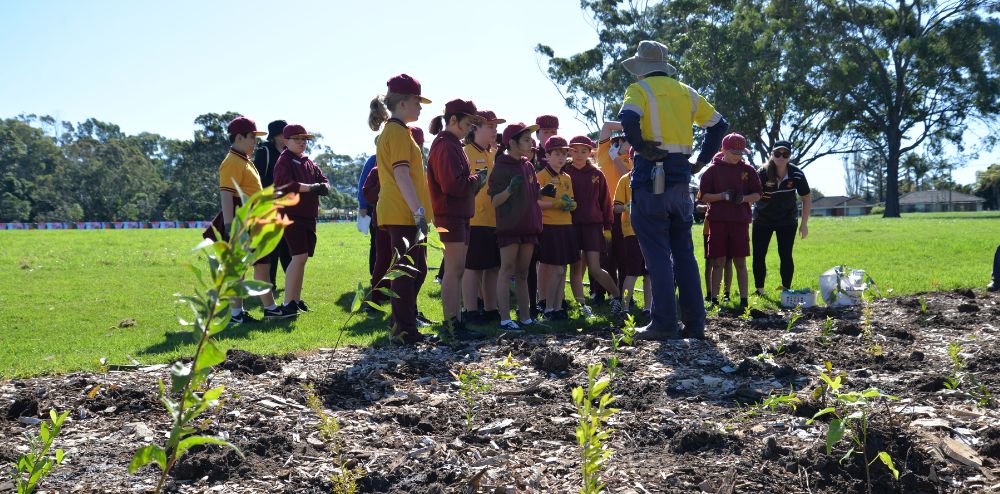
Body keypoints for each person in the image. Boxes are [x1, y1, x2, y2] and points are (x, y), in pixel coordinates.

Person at [617, 39, 729, 340]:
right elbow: (719, 125)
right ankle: (695, 323)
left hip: (648, 177)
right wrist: (701, 161)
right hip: (680, 179)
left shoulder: (638, 90)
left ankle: (664, 322)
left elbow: (627, 118)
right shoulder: (686, 92)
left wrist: (640, 146)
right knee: (684, 254)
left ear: (641, 67)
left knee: (656, 254)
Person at [369, 74, 435, 344]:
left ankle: (400, 324)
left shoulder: (399, 131)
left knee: (414, 270)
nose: (420, 107)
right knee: (406, 272)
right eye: (417, 101)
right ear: (404, 103)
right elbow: (402, 175)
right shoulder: (396, 132)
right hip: (402, 212)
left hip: (404, 212)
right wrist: (417, 211)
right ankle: (405, 331)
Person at [216, 116, 292, 323]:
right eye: (251, 137)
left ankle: (245, 313)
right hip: (242, 223)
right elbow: (226, 195)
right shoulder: (232, 161)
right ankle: (263, 310)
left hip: (252, 220)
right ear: (239, 137)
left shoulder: (243, 160)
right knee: (255, 266)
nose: (255, 142)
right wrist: (231, 226)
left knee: (258, 266)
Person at [426, 99, 488, 337]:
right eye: (469, 122)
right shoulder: (445, 146)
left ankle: (456, 321)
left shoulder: (454, 145)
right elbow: (452, 185)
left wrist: (474, 181)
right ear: (453, 120)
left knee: (457, 269)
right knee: (453, 270)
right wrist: (477, 180)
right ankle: (452, 324)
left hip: (458, 214)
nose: (471, 128)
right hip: (449, 215)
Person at [489, 122, 544, 331]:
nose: (532, 143)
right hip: (510, 228)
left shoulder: (528, 165)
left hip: (529, 227)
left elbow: (534, 192)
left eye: (531, 139)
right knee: (507, 270)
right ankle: (504, 319)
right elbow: (494, 201)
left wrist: (544, 193)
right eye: (526, 140)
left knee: (523, 273)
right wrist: (509, 190)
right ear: (512, 143)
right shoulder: (501, 167)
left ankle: (526, 317)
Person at [698, 133, 762, 309]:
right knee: (717, 262)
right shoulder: (711, 171)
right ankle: (714, 300)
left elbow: (757, 194)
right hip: (717, 222)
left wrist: (743, 198)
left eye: (741, 153)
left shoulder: (748, 171)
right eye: (734, 152)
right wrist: (723, 196)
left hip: (740, 221)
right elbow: (704, 196)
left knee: (740, 262)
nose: (738, 156)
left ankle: (743, 301)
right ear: (724, 150)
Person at [273, 124, 330, 316]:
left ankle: (296, 300)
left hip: (308, 216)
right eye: (296, 139)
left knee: (302, 258)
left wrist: (324, 186)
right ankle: (288, 303)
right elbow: (285, 185)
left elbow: (323, 179)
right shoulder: (284, 160)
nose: (301, 142)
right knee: (298, 257)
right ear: (286, 141)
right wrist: (313, 187)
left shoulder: (307, 161)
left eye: (304, 139)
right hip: (290, 214)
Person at [565, 135, 625, 316]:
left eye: (584, 151)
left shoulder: (597, 174)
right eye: (575, 150)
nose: (580, 154)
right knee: (576, 268)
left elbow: (606, 202)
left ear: (591, 153)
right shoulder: (564, 172)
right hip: (571, 226)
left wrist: (607, 226)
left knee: (595, 267)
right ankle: (583, 307)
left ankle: (616, 298)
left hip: (592, 225)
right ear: (569, 151)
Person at [752, 140, 811, 295]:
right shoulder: (761, 173)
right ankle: (759, 290)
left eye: (785, 154)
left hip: (787, 220)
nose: (781, 157)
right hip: (762, 220)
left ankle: (786, 290)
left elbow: (806, 198)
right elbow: (752, 195)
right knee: (759, 254)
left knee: (785, 254)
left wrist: (804, 225)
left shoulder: (796, 173)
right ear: (772, 155)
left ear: (789, 157)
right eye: (777, 153)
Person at [463, 110, 506, 324]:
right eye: (490, 126)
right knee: (473, 268)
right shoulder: (466, 152)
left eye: (496, 126)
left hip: (492, 219)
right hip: (474, 220)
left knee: (492, 267)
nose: (495, 130)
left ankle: (490, 309)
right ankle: (471, 310)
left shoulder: (491, 153)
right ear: (474, 128)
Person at [535, 136, 578, 320]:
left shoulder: (567, 177)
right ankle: (548, 309)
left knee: (563, 269)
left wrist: (571, 205)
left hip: (566, 226)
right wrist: (556, 205)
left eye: (563, 154)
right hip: (550, 227)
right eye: (557, 154)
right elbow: (535, 203)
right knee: (556, 269)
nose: (561, 157)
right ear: (547, 155)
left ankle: (558, 306)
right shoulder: (541, 176)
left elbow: (571, 198)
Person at [594, 122, 633, 304]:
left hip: (624, 214)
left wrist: (617, 158)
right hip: (604, 213)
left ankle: (625, 294)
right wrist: (630, 124)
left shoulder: (631, 159)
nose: (623, 144)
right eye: (620, 140)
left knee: (624, 255)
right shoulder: (604, 153)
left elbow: (629, 178)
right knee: (604, 255)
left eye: (626, 141)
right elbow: (607, 126)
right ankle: (600, 293)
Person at [254, 120, 292, 288]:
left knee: (287, 244)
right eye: (285, 133)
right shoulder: (264, 151)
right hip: (268, 204)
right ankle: (270, 283)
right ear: (277, 135)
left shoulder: (288, 152)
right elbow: (257, 177)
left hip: (286, 205)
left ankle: (291, 280)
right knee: (272, 246)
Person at [613, 169, 651, 314]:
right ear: (629, 160)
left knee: (649, 274)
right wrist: (627, 207)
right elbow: (616, 208)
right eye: (633, 158)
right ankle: (625, 307)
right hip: (632, 232)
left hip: (651, 233)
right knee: (632, 272)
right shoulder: (624, 179)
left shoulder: (654, 176)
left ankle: (648, 308)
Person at [357, 149, 378, 275]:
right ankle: (374, 275)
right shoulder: (373, 160)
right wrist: (363, 205)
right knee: (376, 242)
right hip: (373, 207)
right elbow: (363, 183)